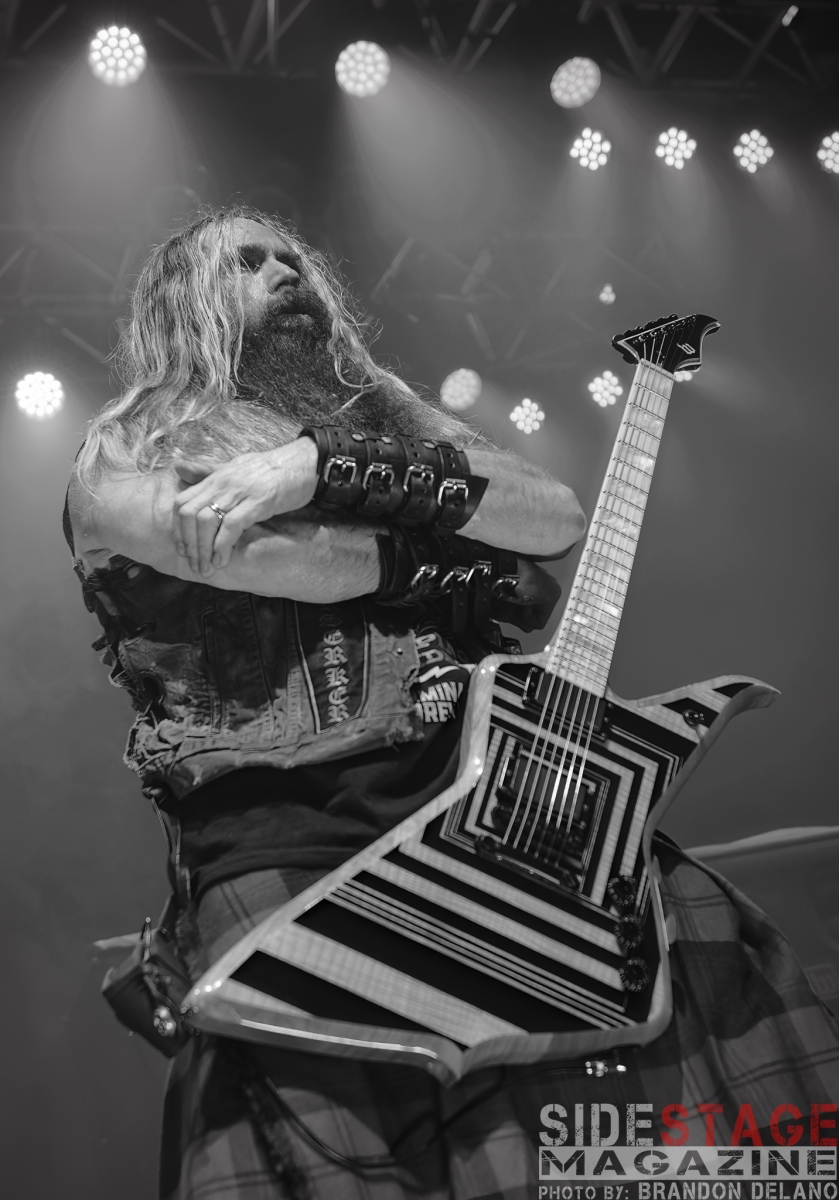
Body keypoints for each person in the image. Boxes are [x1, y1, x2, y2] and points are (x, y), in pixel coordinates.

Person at [66, 208, 839, 1200]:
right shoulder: (124, 448)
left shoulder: (385, 417)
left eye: (292, 256)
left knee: (680, 1093)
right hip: (296, 838)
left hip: (508, 808)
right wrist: (456, 557)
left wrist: (325, 461)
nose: (284, 270)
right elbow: (255, 557)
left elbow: (550, 516)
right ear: (186, 305)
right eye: (247, 261)